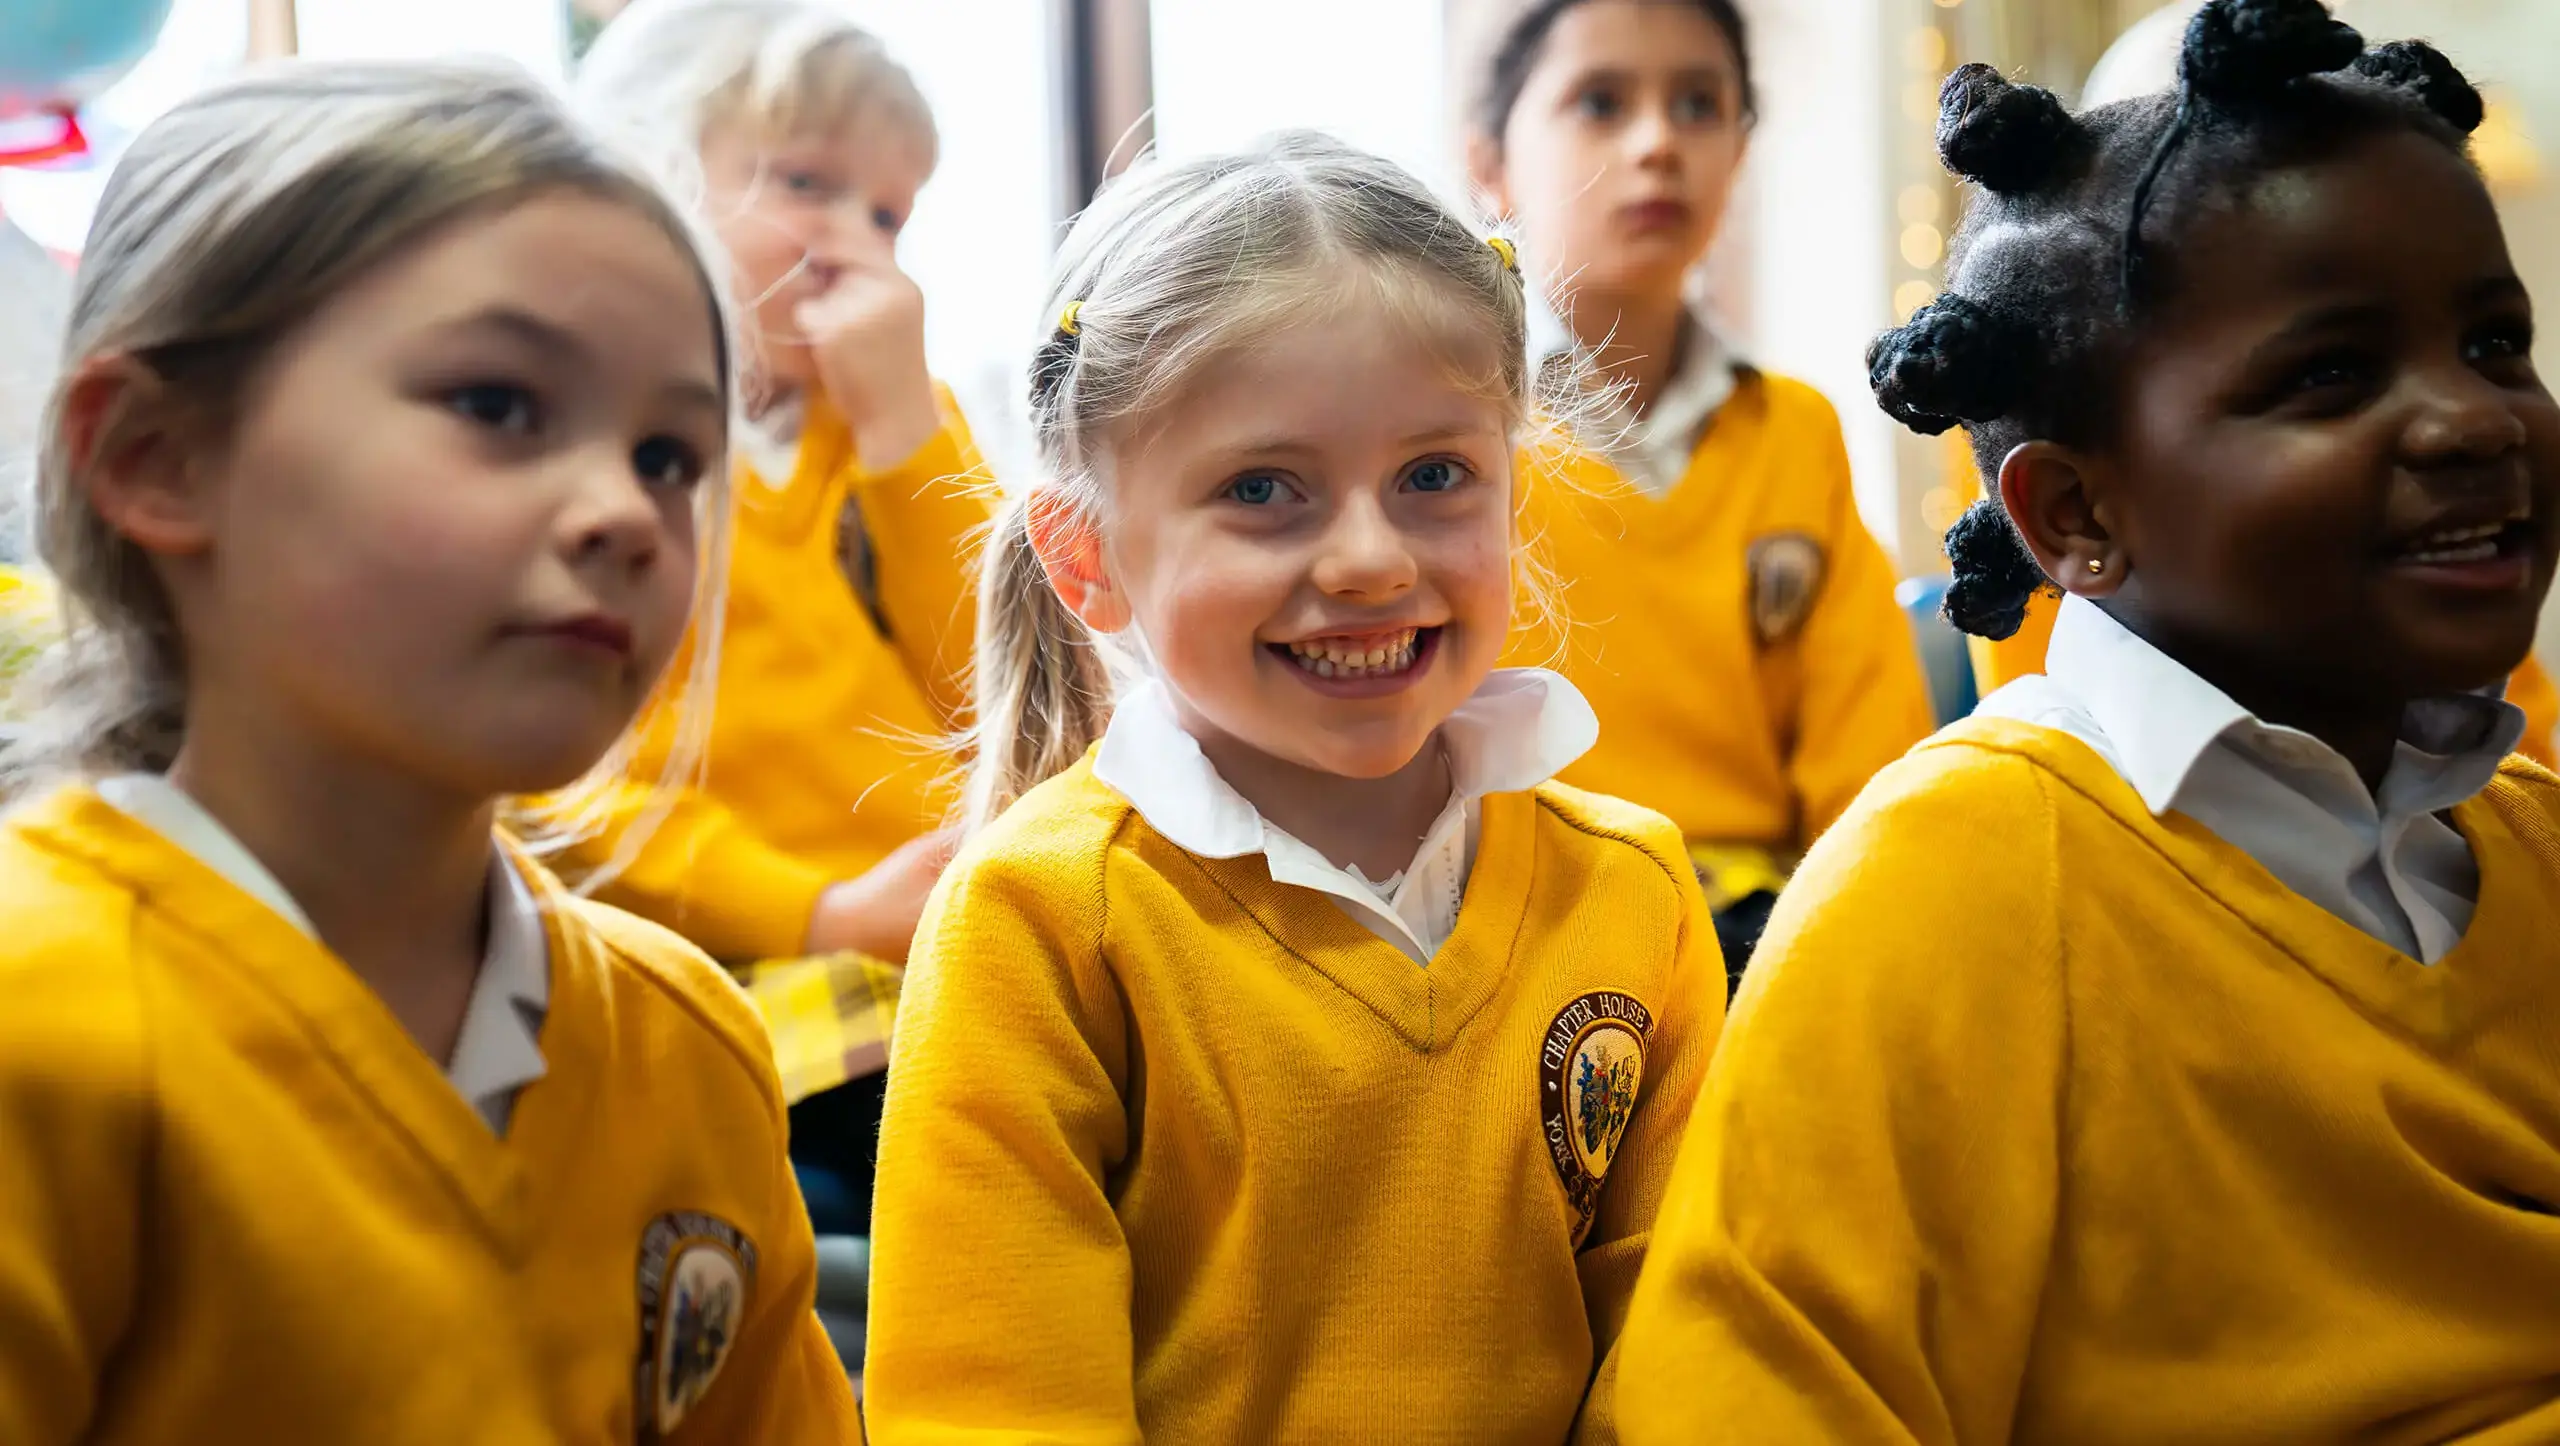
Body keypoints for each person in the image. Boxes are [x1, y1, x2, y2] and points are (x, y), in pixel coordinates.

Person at [1616, 3, 2560, 1438]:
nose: (2474, 418)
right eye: (2332, 375)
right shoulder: (1958, 883)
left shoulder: (2537, 844)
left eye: (2497, 343)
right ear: (2076, 514)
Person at [0, 60, 855, 1441]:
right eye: (499, 406)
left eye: (670, 455)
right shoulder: (37, 1023)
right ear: (156, 455)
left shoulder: (687, 1043)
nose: (626, 514)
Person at [863, 133, 1724, 1444]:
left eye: (1435, 476)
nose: (1372, 558)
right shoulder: (1038, 923)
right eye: (1264, 490)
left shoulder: (1635, 886)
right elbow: (995, 1404)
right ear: (1086, 557)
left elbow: (1685, 1357)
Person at [572, 0, 998, 1224]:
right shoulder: (601, 443)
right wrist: (825, 911)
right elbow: (559, 805)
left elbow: (1003, 686)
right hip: (747, 973)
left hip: (935, 947)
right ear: (648, 170)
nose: (856, 244)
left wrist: (906, 437)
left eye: (889, 216)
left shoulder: (889, 425)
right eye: (806, 184)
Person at [1465, 0, 1935, 978]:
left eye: (1698, 104)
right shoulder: (1452, 441)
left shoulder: (1794, 434)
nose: (1656, 143)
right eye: (1599, 102)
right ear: (1489, 166)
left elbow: (1872, 776)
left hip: (1771, 943)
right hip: (1515, 941)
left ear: (1740, 148)